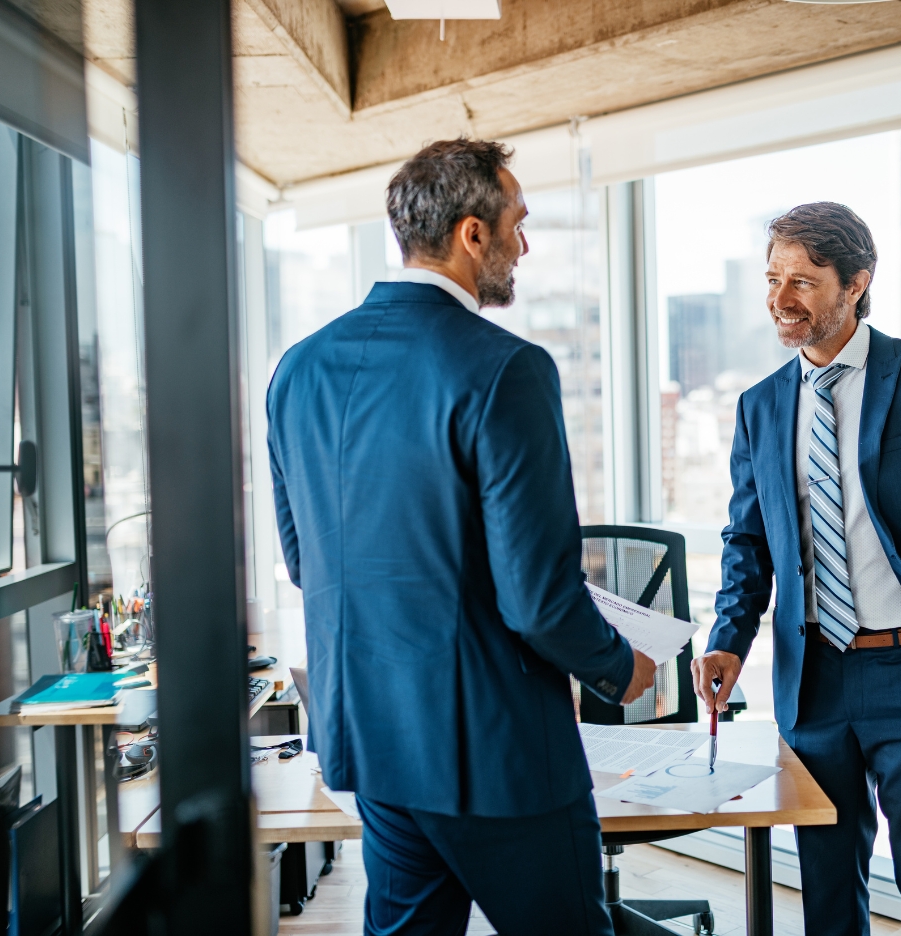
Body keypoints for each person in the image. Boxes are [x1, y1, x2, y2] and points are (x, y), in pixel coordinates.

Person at [267, 138, 655, 935]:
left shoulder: (298, 369)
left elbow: (308, 564)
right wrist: (623, 667)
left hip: (374, 742)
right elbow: (540, 601)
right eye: (517, 222)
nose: (524, 244)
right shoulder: (505, 368)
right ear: (471, 234)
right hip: (494, 753)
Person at [691, 203, 901, 936]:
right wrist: (727, 639)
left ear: (856, 283)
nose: (781, 299)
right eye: (773, 279)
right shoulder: (759, 406)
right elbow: (747, 542)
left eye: (804, 282)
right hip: (814, 684)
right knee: (826, 899)